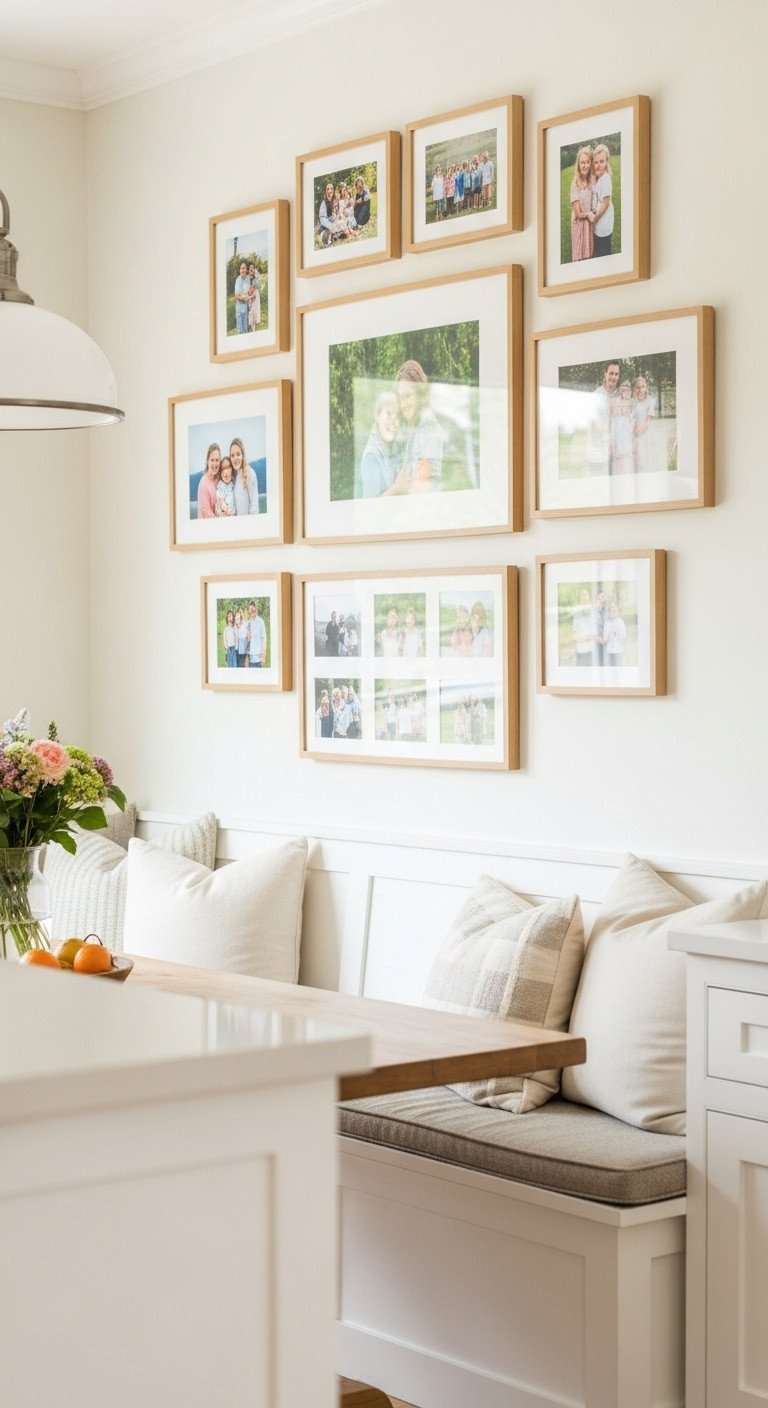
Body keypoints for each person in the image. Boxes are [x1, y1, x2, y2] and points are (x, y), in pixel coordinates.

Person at [393, 360, 443, 493]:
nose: (403, 404)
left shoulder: (428, 430)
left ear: (420, 394)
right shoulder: (413, 428)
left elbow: (422, 487)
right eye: (401, 398)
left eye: (408, 396)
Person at [359, 391, 400, 497]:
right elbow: (371, 507)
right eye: (389, 414)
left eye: (397, 416)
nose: (394, 422)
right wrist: (398, 488)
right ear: (377, 415)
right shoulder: (371, 456)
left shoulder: (393, 447)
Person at [586, 360, 620, 476]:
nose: (613, 377)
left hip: (615, 455)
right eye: (611, 373)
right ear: (605, 373)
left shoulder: (619, 395)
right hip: (598, 455)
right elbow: (592, 426)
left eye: (616, 374)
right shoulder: (596, 396)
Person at [569, 146, 595, 262]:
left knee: (589, 251)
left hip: (589, 223)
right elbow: (578, 213)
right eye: (582, 163)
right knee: (579, 253)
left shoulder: (591, 181)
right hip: (580, 222)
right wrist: (589, 214)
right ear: (578, 165)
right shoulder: (575, 184)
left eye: (587, 162)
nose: (584, 166)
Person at [592, 144, 614, 258]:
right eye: (596, 162)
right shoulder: (599, 178)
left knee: (604, 252)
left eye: (602, 161)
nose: (599, 165)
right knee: (599, 249)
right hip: (600, 221)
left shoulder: (606, 180)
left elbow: (605, 204)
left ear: (606, 163)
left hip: (604, 223)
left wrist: (594, 220)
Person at [230, 438, 260, 516]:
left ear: (243, 455)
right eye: (232, 455)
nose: (235, 458)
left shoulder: (250, 473)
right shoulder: (232, 476)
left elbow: (254, 508)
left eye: (238, 454)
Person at [611, 380, 635, 474]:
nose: (626, 392)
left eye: (628, 390)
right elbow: (613, 420)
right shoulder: (615, 401)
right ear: (621, 390)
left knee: (627, 460)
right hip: (617, 431)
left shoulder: (632, 402)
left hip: (627, 433)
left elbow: (632, 419)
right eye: (624, 390)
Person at [632, 377, 655, 472]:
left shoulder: (650, 401)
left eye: (643, 387)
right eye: (638, 387)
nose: (640, 390)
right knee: (634, 462)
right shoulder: (633, 401)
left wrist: (638, 431)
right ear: (635, 389)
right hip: (632, 436)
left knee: (643, 462)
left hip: (643, 435)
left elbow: (648, 421)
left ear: (646, 388)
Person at [572, 589, 597, 665]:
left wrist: (581, 638)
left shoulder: (593, 612)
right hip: (580, 652)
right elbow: (574, 635)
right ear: (580, 599)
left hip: (590, 651)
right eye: (582, 595)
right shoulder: (577, 614)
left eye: (585, 594)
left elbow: (594, 634)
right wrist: (585, 638)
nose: (584, 596)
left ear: (589, 598)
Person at [197, 443, 221, 519]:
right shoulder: (203, 483)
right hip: (206, 527)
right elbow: (207, 513)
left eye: (217, 460)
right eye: (212, 460)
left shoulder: (219, 479)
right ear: (207, 461)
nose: (215, 463)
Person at [247, 599, 267, 668]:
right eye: (251, 609)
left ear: (256, 610)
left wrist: (263, 655)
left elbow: (264, 638)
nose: (252, 611)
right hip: (250, 658)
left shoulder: (261, 622)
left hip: (259, 658)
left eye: (254, 609)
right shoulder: (248, 623)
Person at [233, 260, 250, 334]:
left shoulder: (249, 279)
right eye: (241, 268)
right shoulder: (238, 280)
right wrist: (246, 298)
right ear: (239, 270)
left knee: (246, 330)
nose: (243, 270)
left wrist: (242, 296)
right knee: (240, 331)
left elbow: (251, 292)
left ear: (246, 270)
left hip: (247, 310)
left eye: (244, 268)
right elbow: (237, 295)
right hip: (239, 310)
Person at [593, 590, 607, 667]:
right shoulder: (592, 612)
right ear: (596, 599)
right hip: (596, 643)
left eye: (603, 597)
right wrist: (601, 640)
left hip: (607, 641)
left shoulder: (607, 611)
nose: (601, 599)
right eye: (599, 597)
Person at [247, 263, 261, 332]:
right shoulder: (247, 278)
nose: (251, 269)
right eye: (250, 268)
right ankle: (251, 329)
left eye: (252, 267)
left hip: (255, 295)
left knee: (255, 311)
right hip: (249, 295)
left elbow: (258, 287)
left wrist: (254, 291)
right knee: (250, 311)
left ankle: (254, 330)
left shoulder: (256, 278)